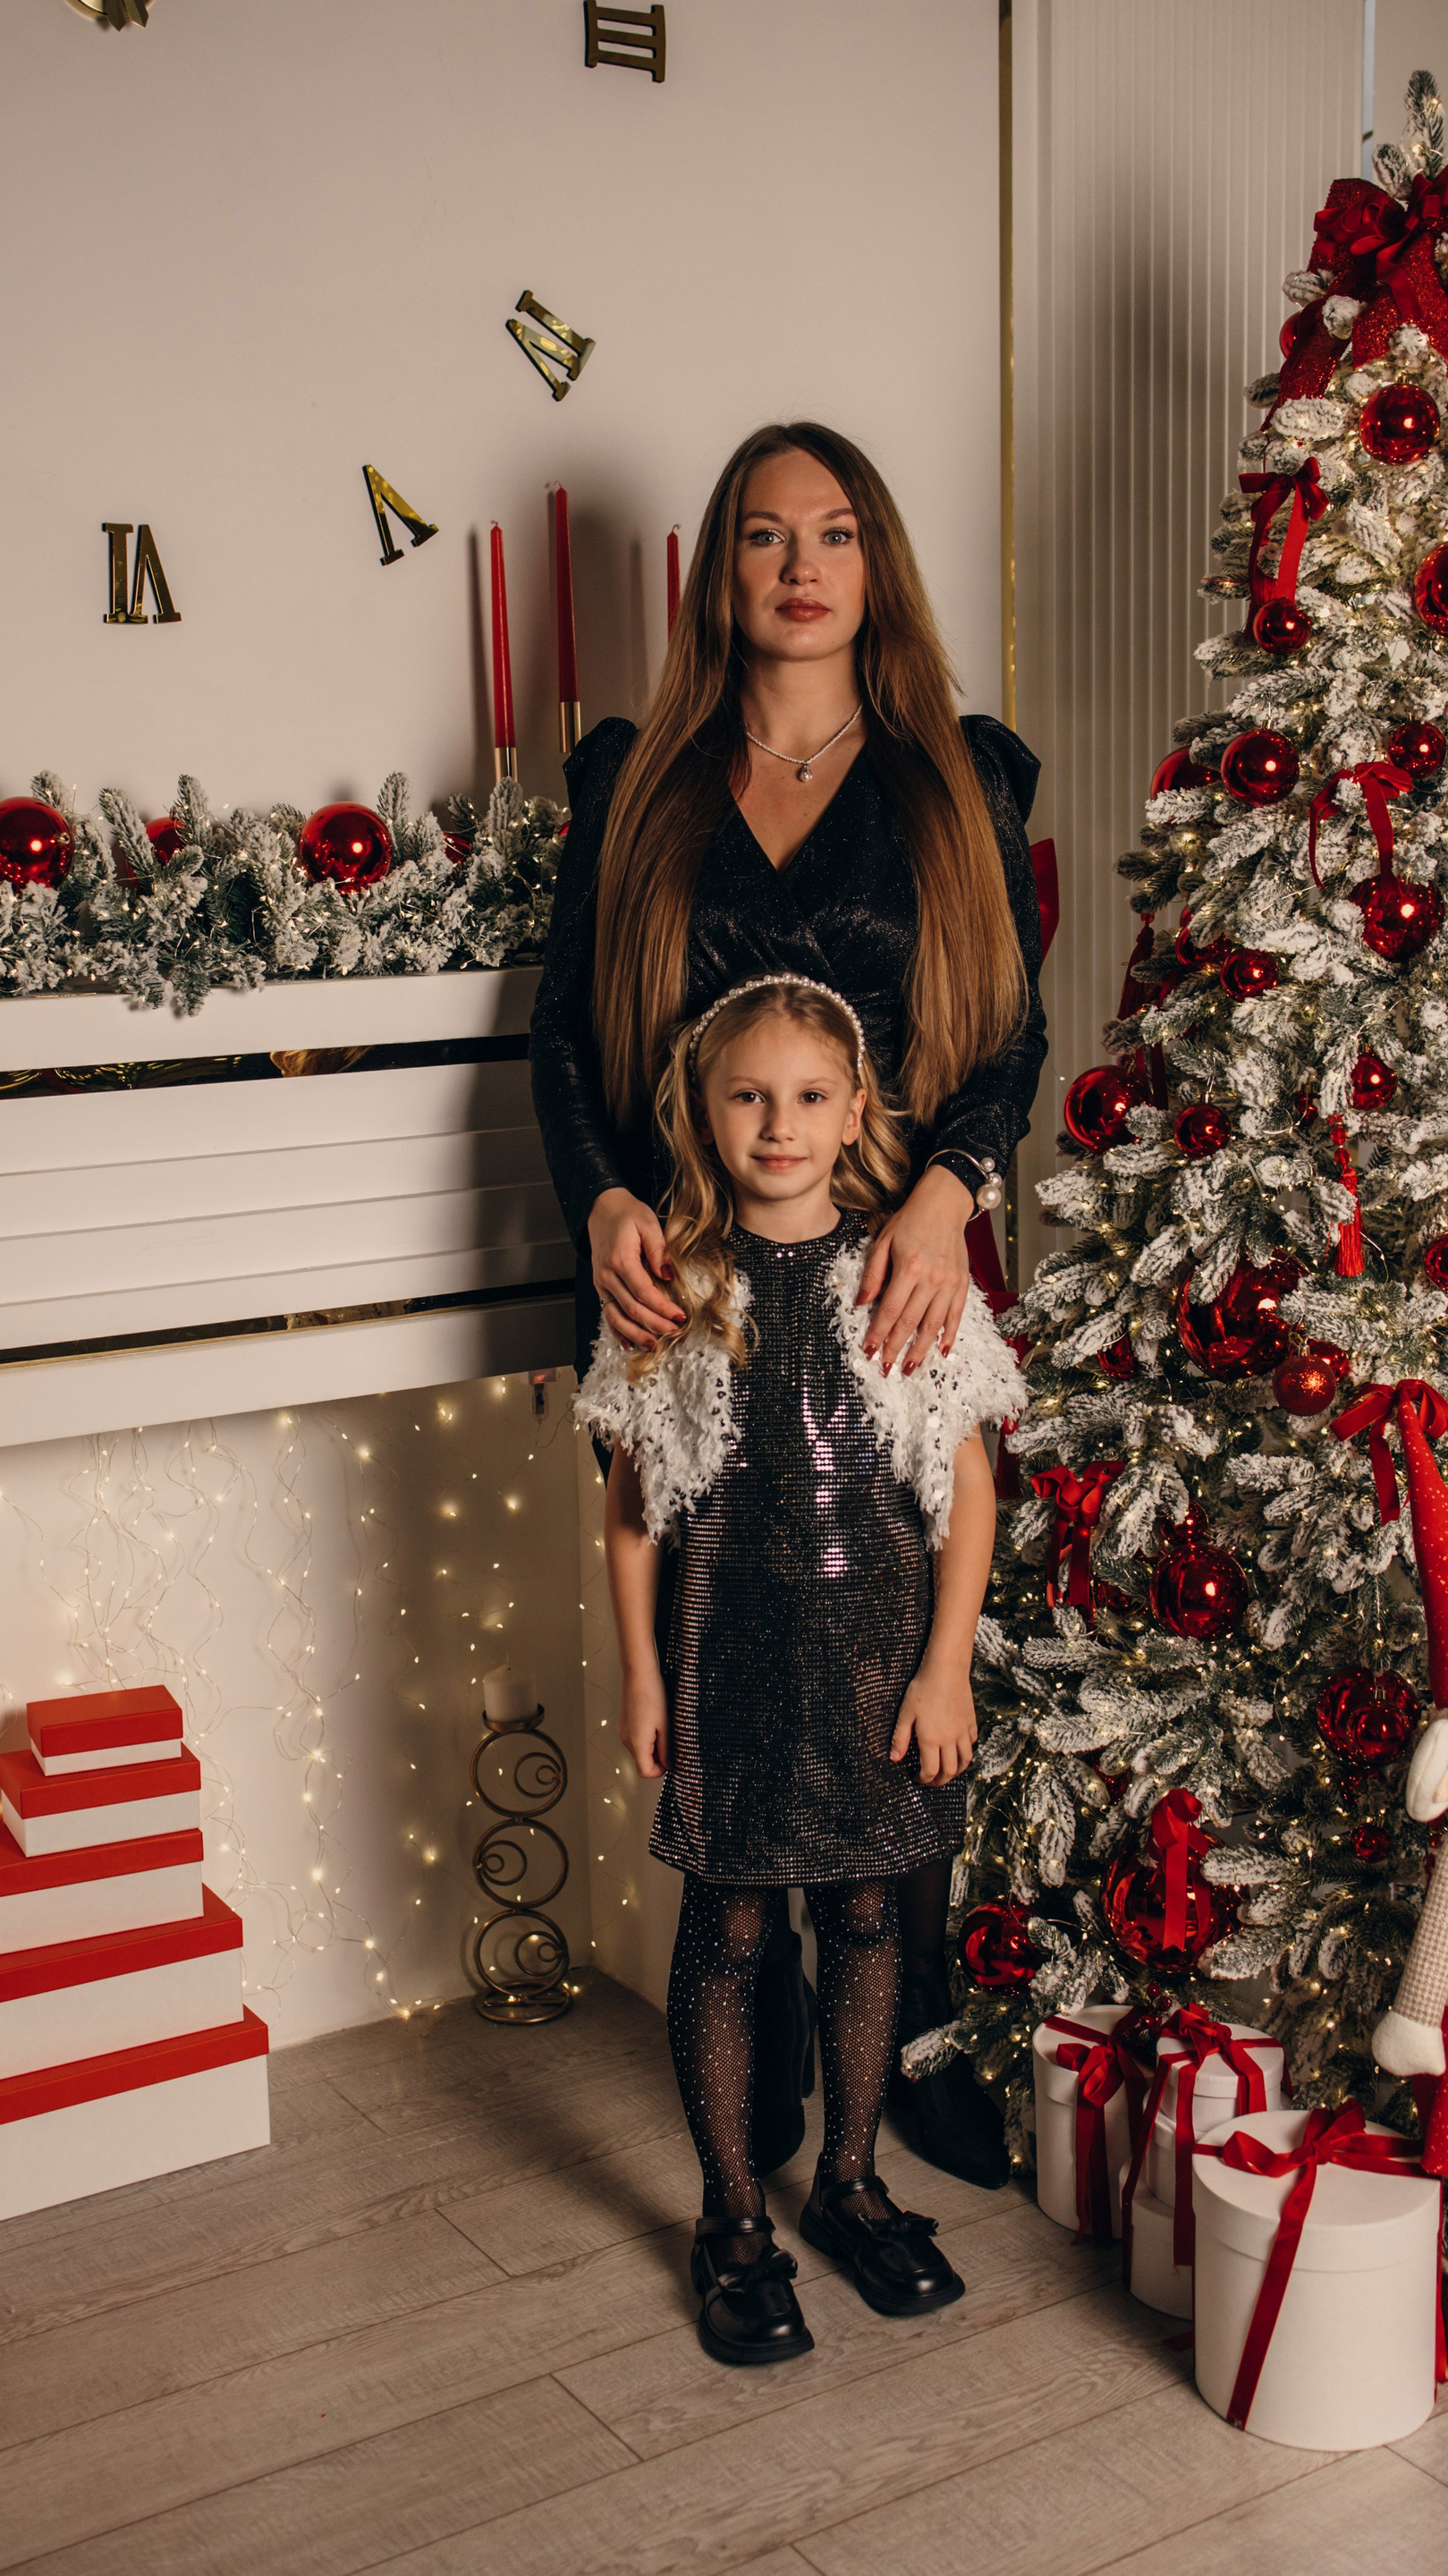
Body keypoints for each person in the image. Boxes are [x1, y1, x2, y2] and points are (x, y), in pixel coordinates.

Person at [530, 420, 1047, 2186]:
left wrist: (950, 1191)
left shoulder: (955, 777)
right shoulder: (639, 783)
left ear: (874, 562)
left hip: (897, 1258)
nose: (801, 566)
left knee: (896, 1627)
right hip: (685, 1267)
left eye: (833, 533)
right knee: (729, 1623)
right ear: (723, 571)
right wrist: (603, 1194)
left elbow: (1011, 1033)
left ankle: (909, 2028)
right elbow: (559, 1038)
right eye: (764, 535)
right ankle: (750, 2032)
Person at [580, 975, 1024, 2363]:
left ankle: (849, 2180)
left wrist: (946, 1670)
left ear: (854, 1112)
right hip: (728, 1672)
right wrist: (643, 1678)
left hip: (876, 1672)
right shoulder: (674, 1289)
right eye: (750, 1097)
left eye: (810, 1097)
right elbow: (634, 1506)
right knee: (727, 1932)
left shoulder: (904, 1276)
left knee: (873, 1918)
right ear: (704, 1113)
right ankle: (730, 2217)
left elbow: (967, 1490)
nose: (780, 1124)